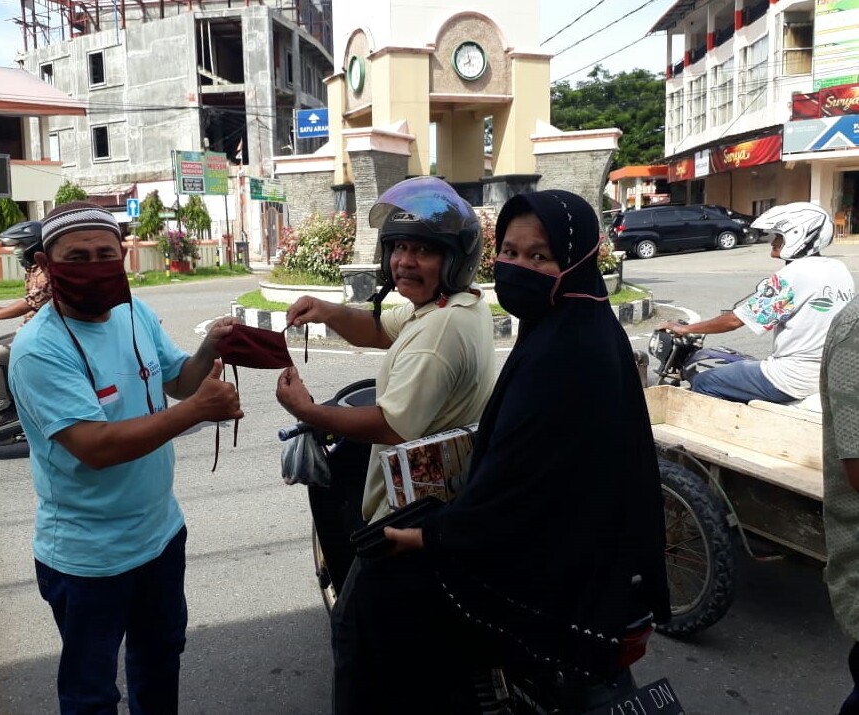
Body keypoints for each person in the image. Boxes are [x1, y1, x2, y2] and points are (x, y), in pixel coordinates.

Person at [332, 189, 671, 715]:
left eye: (538, 256)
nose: (518, 267)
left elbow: (517, 485)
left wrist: (429, 535)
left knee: (370, 614)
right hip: (581, 552)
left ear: (575, 260)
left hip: (561, 571)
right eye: (509, 253)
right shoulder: (574, 324)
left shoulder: (564, 352)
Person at [8, 201, 243, 714]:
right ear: (47, 264)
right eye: (77, 256)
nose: (94, 266)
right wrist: (199, 410)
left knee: (160, 661)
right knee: (92, 692)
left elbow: (178, 380)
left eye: (104, 254)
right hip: (88, 558)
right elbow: (96, 447)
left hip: (160, 536)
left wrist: (210, 349)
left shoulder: (134, 312)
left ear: (123, 257)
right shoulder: (39, 349)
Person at [274, 175, 496, 712]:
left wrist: (309, 412)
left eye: (423, 250)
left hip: (409, 518)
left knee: (358, 643)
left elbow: (392, 425)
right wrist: (328, 311)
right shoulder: (452, 306)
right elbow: (377, 328)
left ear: (455, 260)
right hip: (442, 503)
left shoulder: (440, 331)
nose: (405, 261)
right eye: (399, 247)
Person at [660, 202, 855, 404]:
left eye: (780, 236)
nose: (773, 241)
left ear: (800, 235)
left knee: (704, 381)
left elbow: (735, 321)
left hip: (791, 377)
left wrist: (686, 328)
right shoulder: (838, 269)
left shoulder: (794, 274)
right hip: (830, 374)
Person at [0, 221, 51, 434]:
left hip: (43, 336)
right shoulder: (33, 268)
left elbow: (29, 303)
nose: (16, 251)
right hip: (33, 330)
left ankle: (2, 410)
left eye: (20, 245)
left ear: (32, 246)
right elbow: (30, 301)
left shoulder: (45, 272)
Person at [821, 293, 859, 715]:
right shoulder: (834, 276)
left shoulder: (787, 281)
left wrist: (686, 330)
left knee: (711, 380)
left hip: (783, 377)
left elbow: (742, 318)